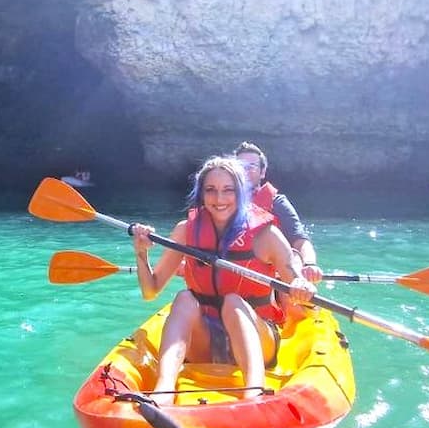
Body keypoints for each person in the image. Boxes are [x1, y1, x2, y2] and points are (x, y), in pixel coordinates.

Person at [129, 155, 317, 404]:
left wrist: (301, 286)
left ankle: (254, 394)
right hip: (207, 341)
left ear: (241, 193)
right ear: (201, 194)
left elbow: (297, 284)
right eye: (211, 190)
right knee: (184, 298)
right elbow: (150, 291)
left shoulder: (267, 235)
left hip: (259, 340)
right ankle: (163, 392)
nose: (219, 199)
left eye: (228, 190)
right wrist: (141, 253)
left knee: (233, 302)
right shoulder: (186, 231)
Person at [233, 141, 322, 284]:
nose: (244, 171)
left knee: (294, 257)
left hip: (273, 274)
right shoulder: (222, 204)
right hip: (234, 270)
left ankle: (294, 298)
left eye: (251, 167)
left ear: (262, 172)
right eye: (240, 167)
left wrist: (310, 264)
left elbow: (299, 239)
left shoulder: (277, 202)